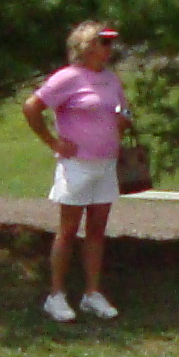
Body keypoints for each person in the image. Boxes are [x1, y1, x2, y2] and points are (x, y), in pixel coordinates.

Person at [23, 22, 127, 322]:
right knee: (68, 230)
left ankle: (92, 294)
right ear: (88, 46)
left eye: (110, 43)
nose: (110, 49)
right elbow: (32, 107)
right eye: (104, 42)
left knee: (96, 231)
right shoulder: (67, 78)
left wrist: (125, 120)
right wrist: (52, 141)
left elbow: (124, 109)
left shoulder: (110, 79)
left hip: (105, 163)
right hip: (77, 165)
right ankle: (56, 295)